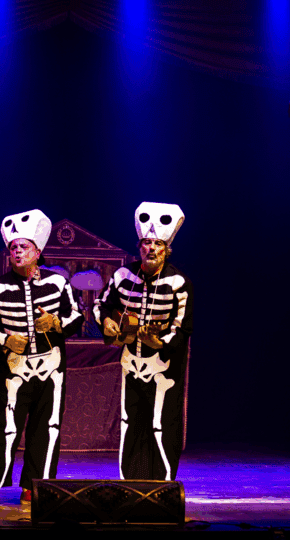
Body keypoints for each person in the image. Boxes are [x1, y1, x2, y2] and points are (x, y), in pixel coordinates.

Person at [0, 209, 83, 507]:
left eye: (23, 246)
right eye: (13, 247)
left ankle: (36, 485)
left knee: (47, 426)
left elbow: (76, 316)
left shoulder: (58, 283)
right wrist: (6, 340)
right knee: (5, 426)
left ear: (37, 252)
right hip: (15, 368)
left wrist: (56, 323)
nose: (17, 251)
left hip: (51, 366)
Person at [94, 202, 193, 481]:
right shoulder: (123, 276)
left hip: (164, 367)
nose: (151, 248)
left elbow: (183, 327)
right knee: (131, 423)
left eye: (157, 244)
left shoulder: (179, 282)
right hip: (131, 364)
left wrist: (160, 343)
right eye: (146, 243)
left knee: (162, 424)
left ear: (166, 249)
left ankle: (163, 485)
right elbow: (101, 305)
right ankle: (131, 483)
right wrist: (107, 322)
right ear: (139, 247)